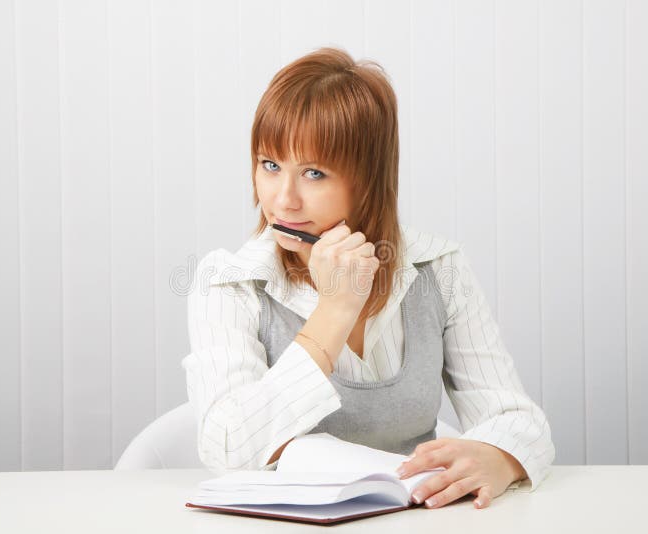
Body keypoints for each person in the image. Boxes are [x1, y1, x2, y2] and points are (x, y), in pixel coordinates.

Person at [182, 47, 555, 510]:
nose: (283, 201)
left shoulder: (438, 267)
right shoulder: (228, 283)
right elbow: (228, 449)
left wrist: (500, 457)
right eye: (270, 165)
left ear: (369, 179)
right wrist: (335, 310)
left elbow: (518, 419)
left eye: (314, 173)